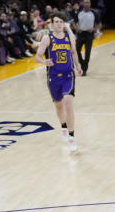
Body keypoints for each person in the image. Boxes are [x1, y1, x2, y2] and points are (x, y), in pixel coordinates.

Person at [35, 15, 82, 152]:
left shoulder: (69, 37)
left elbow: (74, 53)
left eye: (61, 22)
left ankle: (72, 136)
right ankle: (63, 127)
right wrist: (44, 61)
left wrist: (78, 65)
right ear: (52, 24)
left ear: (64, 24)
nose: (59, 24)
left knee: (68, 102)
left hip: (68, 75)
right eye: (56, 22)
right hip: (54, 77)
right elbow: (37, 57)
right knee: (58, 105)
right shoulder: (47, 38)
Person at [75, 0, 100, 75]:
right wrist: (77, 28)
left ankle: (84, 70)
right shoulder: (79, 12)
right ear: (83, 4)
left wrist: (94, 29)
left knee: (87, 52)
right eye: (85, 2)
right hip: (80, 34)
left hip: (89, 35)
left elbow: (99, 24)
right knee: (76, 50)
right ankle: (82, 62)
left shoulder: (94, 13)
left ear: (90, 4)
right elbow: (74, 23)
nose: (86, 4)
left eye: (88, 2)